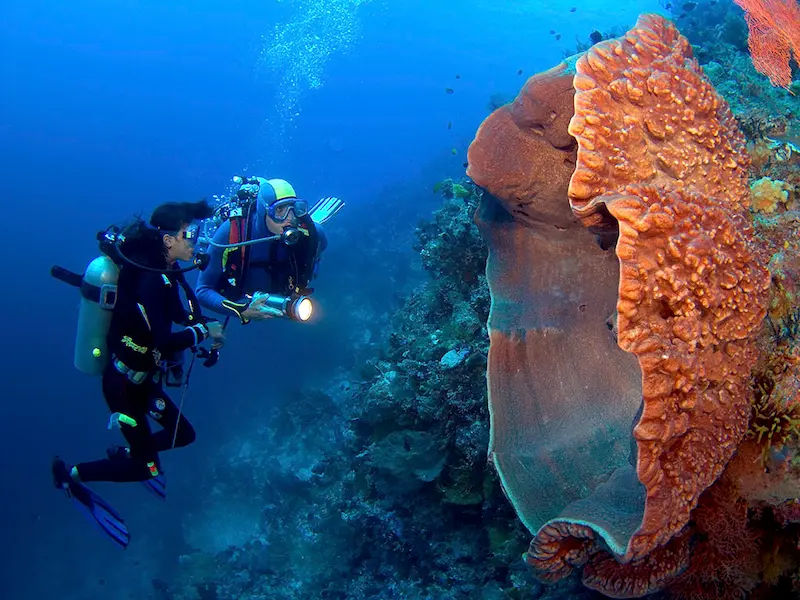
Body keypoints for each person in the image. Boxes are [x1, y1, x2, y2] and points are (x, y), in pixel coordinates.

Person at [51, 199, 225, 548]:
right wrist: (202, 333)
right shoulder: (152, 280)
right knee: (149, 469)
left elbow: (179, 314)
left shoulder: (167, 274)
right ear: (168, 240)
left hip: (142, 382)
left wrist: (204, 327)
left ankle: (130, 453)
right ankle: (71, 475)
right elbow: (164, 340)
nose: (196, 241)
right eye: (190, 234)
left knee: (184, 434)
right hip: (123, 388)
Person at [195, 177, 339, 323]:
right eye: (280, 210)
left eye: (294, 209)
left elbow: (318, 250)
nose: (290, 218)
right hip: (244, 294)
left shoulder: (313, 232)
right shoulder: (231, 232)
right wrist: (241, 310)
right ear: (264, 212)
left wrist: (310, 271)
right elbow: (202, 290)